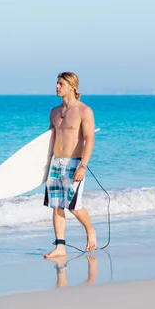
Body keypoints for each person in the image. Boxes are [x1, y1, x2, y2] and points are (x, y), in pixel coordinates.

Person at [43, 72, 97, 259]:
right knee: (56, 205)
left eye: (61, 84)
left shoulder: (84, 111)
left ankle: (90, 230)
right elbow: (49, 140)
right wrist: (43, 166)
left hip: (75, 163)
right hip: (56, 163)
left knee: (73, 206)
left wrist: (83, 165)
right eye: (57, 83)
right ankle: (60, 246)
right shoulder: (54, 112)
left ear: (72, 86)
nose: (57, 87)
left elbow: (90, 140)